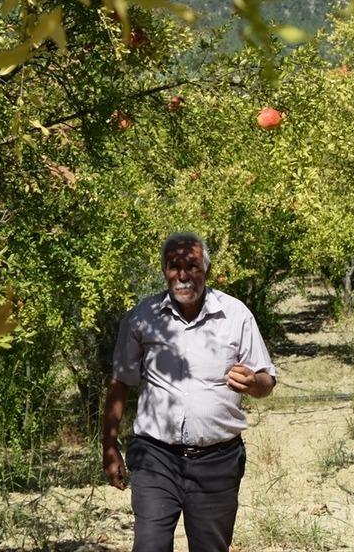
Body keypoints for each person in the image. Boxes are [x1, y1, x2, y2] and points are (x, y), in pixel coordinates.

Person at [102, 232, 277, 552]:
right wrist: (109, 445)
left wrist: (253, 383)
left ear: (206, 270)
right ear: (165, 271)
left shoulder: (235, 315)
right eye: (174, 266)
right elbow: (120, 382)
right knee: (149, 546)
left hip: (218, 461)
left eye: (192, 266)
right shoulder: (143, 317)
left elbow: (267, 380)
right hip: (155, 458)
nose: (183, 274)